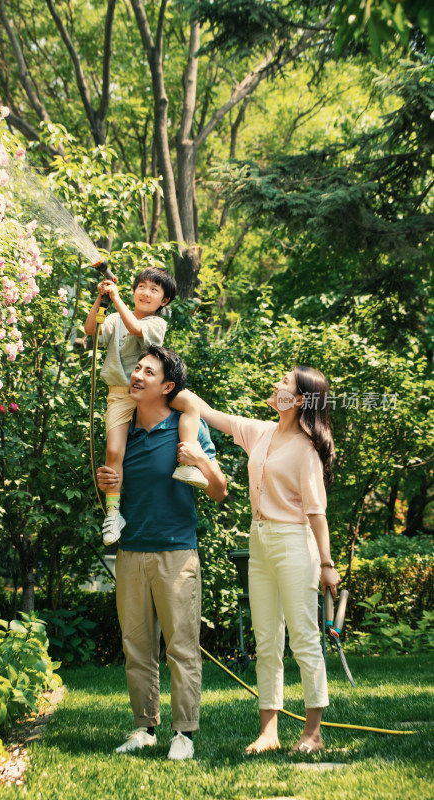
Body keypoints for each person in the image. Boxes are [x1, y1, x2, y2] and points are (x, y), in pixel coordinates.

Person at [189, 366, 340, 755]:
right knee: (266, 640)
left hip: (293, 542)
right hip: (260, 541)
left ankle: (313, 733)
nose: (277, 385)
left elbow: (317, 513)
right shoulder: (261, 431)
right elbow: (209, 414)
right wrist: (169, 388)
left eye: (286, 383)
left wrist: (326, 564)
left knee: (304, 640)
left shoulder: (307, 449)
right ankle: (269, 732)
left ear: (301, 400)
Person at [97, 345, 228, 760]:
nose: (136, 375)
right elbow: (114, 485)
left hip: (177, 553)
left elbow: (220, 491)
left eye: (147, 372)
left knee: (181, 647)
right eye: (136, 368)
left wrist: (201, 464)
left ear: (167, 386)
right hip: (132, 553)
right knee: (136, 646)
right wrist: (106, 481)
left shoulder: (186, 427)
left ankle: (184, 734)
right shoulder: (122, 429)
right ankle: (143, 728)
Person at [85, 268, 208, 547]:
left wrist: (116, 299)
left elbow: (136, 329)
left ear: (164, 301)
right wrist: (101, 300)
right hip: (120, 394)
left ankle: (187, 464)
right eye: (141, 286)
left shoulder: (155, 324)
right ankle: (114, 513)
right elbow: (91, 329)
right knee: (114, 451)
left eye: (154, 290)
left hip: (150, 393)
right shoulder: (115, 317)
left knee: (188, 402)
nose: (146, 292)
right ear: (133, 290)